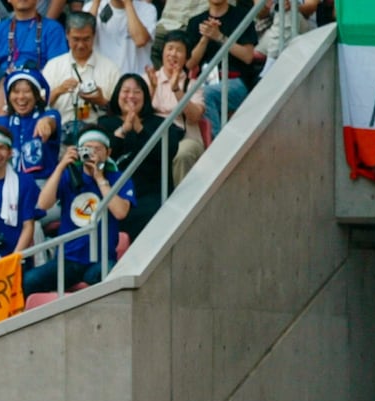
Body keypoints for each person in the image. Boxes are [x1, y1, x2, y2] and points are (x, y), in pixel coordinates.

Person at [23, 130, 131, 292]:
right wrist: (61, 167)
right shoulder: (69, 175)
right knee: (29, 280)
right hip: (68, 259)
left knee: (110, 278)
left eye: (98, 149)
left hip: (101, 259)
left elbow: (120, 212)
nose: (92, 154)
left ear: (108, 152)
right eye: (87, 148)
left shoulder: (118, 177)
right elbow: (43, 204)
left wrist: (100, 178)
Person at [101, 73, 189, 236]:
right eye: (126, 91)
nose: (131, 96)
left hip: (152, 194)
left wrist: (139, 129)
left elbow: (168, 151)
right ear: (117, 95)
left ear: (145, 97)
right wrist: (123, 130)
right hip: (115, 194)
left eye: (137, 92)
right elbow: (102, 155)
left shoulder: (159, 123)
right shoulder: (104, 124)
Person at [41, 12, 121, 136]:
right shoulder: (54, 65)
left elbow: (120, 112)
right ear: (67, 35)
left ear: (94, 36)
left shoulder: (110, 68)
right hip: (59, 134)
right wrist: (58, 90)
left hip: (96, 136)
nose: (81, 45)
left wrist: (101, 102)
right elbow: (38, 104)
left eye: (86, 39)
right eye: (76, 39)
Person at [184, 0, 258, 136]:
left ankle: (217, 144)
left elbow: (247, 56)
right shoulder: (196, 22)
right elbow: (189, 63)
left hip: (235, 82)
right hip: (205, 81)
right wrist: (205, 38)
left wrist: (219, 37)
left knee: (205, 95)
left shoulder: (241, 17)